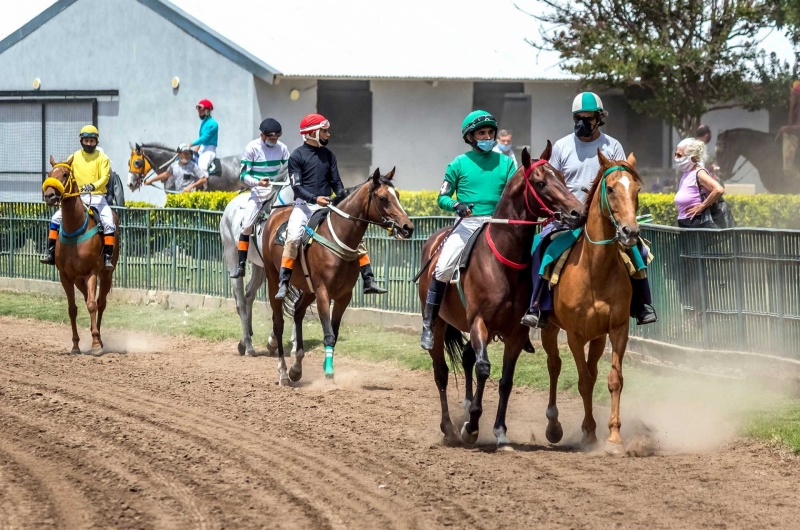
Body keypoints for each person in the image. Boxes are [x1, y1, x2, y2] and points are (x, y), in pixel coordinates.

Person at [520, 92, 657, 328]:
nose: (582, 123)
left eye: (589, 118)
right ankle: (536, 307)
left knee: (639, 252)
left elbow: (622, 181)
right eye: (578, 118)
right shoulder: (562, 147)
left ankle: (642, 305)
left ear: (599, 119)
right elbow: (551, 185)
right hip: (569, 219)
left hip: (605, 220)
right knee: (540, 248)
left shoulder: (612, 146)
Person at [419, 110, 517, 350]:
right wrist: (456, 204)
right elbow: (442, 197)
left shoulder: (507, 164)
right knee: (442, 267)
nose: (487, 136)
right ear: (470, 137)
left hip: (498, 224)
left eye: (490, 132)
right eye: (481, 133)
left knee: (526, 265)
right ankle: (429, 324)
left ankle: (519, 325)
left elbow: (516, 193)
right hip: (468, 224)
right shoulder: (458, 164)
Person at [274, 113, 387, 299]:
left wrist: (345, 198)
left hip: (326, 207)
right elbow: (296, 187)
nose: (328, 134)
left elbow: (337, 183)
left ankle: (369, 279)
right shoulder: (296, 156)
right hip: (303, 207)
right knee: (293, 237)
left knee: (356, 239)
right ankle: (284, 282)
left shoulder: (329, 156)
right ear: (312, 133)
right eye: (324, 131)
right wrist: (314, 199)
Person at [40, 125, 116, 270]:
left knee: (109, 222)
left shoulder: (103, 158)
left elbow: (105, 178)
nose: (89, 143)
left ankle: (107, 257)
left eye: (92, 141)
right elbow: (65, 173)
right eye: (86, 140)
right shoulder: (73, 157)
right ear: (81, 140)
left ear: (96, 142)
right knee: (55, 219)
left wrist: (93, 186)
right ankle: (50, 253)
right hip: (78, 197)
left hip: (98, 198)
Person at [230, 118, 290, 279]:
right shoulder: (251, 148)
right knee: (247, 224)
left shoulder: (283, 148)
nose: (274, 141)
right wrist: (258, 182)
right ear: (262, 135)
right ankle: (241, 265)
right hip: (258, 194)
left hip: (278, 193)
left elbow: (289, 169)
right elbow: (243, 175)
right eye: (271, 138)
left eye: (276, 137)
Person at [673, 138, 725, 228]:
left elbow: (719, 189)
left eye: (679, 155)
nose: (676, 158)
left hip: (696, 224)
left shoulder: (700, 173)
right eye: (675, 154)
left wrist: (702, 206)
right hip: (685, 223)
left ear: (692, 158)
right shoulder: (686, 173)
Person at [190, 99, 219, 177]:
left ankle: (204, 185)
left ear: (207, 111)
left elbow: (204, 138)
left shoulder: (213, 123)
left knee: (202, 166)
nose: (199, 113)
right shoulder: (203, 122)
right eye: (198, 111)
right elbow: (201, 139)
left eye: (201, 111)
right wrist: (196, 148)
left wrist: (191, 144)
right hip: (202, 148)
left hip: (209, 150)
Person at [778, 81, 800, 180]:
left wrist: (787, 129)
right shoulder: (797, 106)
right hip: (795, 132)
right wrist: (791, 106)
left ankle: (790, 172)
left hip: (796, 135)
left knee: (789, 140)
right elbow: (791, 123)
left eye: (793, 94)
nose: (791, 96)